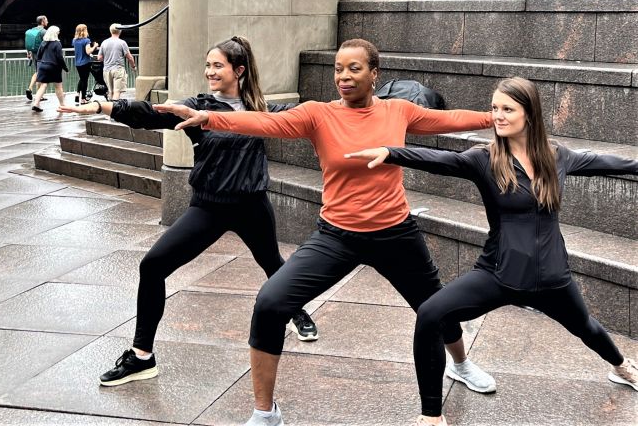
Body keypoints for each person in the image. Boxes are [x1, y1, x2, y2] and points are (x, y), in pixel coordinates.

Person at [155, 38, 498, 426]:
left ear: (374, 74)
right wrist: (211, 118)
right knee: (270, 304)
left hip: (395, 233)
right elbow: (265, 121)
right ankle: (265, 413)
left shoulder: (398, 111)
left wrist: (495, 118)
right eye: (338, 69)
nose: (344, 76)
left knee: (435, 309)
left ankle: (462, 365)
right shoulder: (319, 114)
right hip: (336, 235)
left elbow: (450, 120)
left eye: (354, 68)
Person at [346, 76, 638, 426]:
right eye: (495, 108)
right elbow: (438, 159)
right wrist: (391, 152)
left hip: (552, 276)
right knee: (430, 315)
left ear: (529, 114)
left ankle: (622, 368)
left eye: (507, 109)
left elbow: (610, 162)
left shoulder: (557, 155)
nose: (497, 116)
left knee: (586, 327)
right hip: (499, 273)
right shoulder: (483, 159)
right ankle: (431, 417)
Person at [57, 36, 319, 387]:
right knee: (153, 266)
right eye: (208, 65)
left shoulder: (261, 110)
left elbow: (307, 117)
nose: (209, 72)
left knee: (273, 264)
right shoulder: (198, 107)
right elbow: (153, 115)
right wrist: (107, 107)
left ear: (238, 71)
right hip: (209, 206)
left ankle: (296, 309)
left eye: (218, 66)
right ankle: (141, 357)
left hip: (252, 204)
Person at [31, 26, 68, 113]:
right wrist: (65, 67)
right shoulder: (57, 44)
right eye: (58, 32)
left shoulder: (43, 43)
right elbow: (59, 57)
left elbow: (39, 55)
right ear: (55, 33)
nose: (59, 33)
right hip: (54, 67)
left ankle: (35, 104)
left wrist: (42, 62)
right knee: (58, 86)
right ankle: (62, 105)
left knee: (43, 85)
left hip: (43, 66)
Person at [98, 23, 136, 100]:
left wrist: (107, 57)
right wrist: (133, 66)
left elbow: (99, 58)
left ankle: (110, 109)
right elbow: (130, 57)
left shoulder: (104, 42)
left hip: (106, 70)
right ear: (120, 31)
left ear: (110, 31)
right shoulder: (122, 42)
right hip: (118, 70)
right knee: (117, 92)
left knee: (110, 92)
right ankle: (115, 110)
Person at [72, 23, 99, 104]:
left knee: (81, 79)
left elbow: (81, 50)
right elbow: (88, 51)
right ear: (84, 31)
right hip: (85, 63)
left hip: (77, 63)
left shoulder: (74, 40)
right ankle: (83, 99)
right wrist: (95, 46)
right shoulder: (86, 40)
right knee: (85, 81)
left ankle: (77, 94)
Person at [25, 14, 48, 101]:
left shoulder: (32, 31)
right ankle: (39, 95)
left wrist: (28, 53)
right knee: (40, 73)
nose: (47, 22)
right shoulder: (43, 31)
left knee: (37, 72)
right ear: (42, 22)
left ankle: (30, 89)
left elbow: (28, 43)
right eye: (46, 20)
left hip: (34, 53)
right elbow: (48, 43)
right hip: (42, 55)